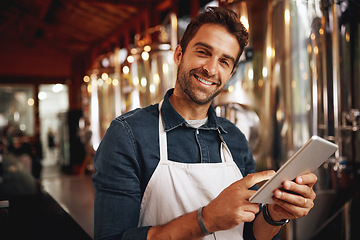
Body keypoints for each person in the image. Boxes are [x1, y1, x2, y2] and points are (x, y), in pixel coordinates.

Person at [92, 7, 317, 240]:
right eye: (203, 52)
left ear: (230, 74)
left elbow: (250, 234)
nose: (210, 69)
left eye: (224, 61)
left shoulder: (235, 139)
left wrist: (274, 215)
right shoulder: (128, 135)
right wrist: (206, 220)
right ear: (179, 54)